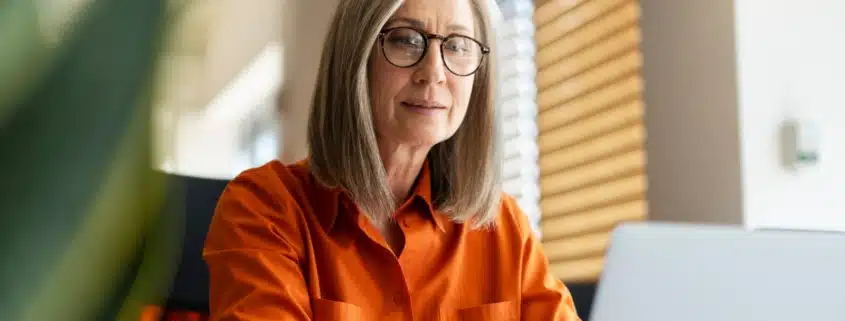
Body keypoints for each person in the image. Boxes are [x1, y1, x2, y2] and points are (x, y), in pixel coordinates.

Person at [202, 0, 581, 320]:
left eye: (458, 45)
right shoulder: (264, 208)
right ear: (357, 56)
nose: (434, 73)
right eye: (405, 40)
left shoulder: (503, 226)